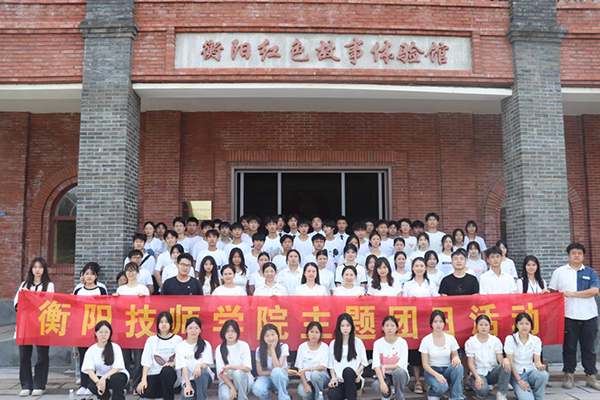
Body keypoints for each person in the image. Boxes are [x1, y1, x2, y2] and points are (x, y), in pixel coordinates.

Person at [549, 243, 600, 390]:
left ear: (583, 256)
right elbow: (553, 293)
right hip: (568, 315)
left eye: (579, 253)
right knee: (569, 348)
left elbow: (595, 291)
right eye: (573, 253)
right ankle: (569, 376)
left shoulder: (590, 272)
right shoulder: (559, 272)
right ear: (568, 255)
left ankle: (591, 376)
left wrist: (573, 294)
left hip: (589, 315)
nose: (576, 255)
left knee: (589, 348)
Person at [15, 257, 54, 397]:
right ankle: (26, 385)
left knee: (42, 355)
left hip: (42, 324)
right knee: (24, 355)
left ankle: (39, 384)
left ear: (44, 269)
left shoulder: (49, 285)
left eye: (40, 267)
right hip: (25, 324)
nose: (37, 270)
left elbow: (47, 302)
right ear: (31, 269)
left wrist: (31, 299)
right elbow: (17, 303)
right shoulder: (24, 284)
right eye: (35, 267)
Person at [74, 263, 109, 396]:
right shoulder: (78, 290)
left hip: (96, 329)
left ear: (96, 276)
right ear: (82, 275)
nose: (89, 277)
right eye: (86, 274)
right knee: (84, 357)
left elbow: (106, 308)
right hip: (81, 328)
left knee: (95, 357)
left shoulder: (101, 290)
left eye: (92, 274)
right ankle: (83, 384)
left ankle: (93, 384)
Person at [115, 262, 148, 390]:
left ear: (138, 272)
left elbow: (148, 308)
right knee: (124, 357)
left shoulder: (143, 289)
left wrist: (143, 299)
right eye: (128, 271)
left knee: (139, 356)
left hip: (139, 326)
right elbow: (117, 309)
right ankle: (125, 384)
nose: (130, 273)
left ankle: (137, 384)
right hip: (124, 326)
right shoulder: (121, 290)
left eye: (133, 271)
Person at [137, 312, 183, 400]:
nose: (164, 324)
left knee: (166, 370)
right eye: (161, 322)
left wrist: (172, 364)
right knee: (145, 391)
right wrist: (143, 380)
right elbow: (146, 362)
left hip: (170, 375)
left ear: (171, 324)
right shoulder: (151, 340)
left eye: (166, 322)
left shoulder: (178, 339)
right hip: (154, 374)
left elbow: (180, 358)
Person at [504, 313, 549, 400]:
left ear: (531, 325)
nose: (524, 326)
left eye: (527, 324)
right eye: (521, 324)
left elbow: (537, 361)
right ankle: (520, 390)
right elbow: (511, 362)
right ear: (517, 325)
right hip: (517, 375)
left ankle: (539, 397)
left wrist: (540, 366)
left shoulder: (536, 340)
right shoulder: (510, 339)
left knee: (543, 375)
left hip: (531, 372)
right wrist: (520, 380)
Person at [419, 310, 463, 400]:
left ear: (444, 324)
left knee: (459, 366)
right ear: (431, 324)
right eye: (435, 321)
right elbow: (425, 364)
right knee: (442, 387)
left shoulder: (450, 338)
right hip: (432, 371)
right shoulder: (426, 340)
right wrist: (437, 375)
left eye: (441, 321)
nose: (438, 324)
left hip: (447, 370)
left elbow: (455, 355)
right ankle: (433, 392)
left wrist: (456, 358)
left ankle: (456, 396)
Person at [465, 315, 511, 400]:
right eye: (481, 325)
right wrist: (477, 377)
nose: (483, 327)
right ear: (476, 326)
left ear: (489, 326)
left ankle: (501, 392)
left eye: (486, 325)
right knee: (482, 392)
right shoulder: (471, 342)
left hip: (492, 372)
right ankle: (481, 385)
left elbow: (500, 359)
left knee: (506, 363)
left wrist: (505, 360)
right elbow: (470, 363)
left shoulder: (495, 340)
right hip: (479, 373)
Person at [81, 321, 129, 400]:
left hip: (117, 375)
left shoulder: (115, 347)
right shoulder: (91, 350)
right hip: (101, 377)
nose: (103, 334)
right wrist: (98, 382)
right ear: (96, 333)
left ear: (110, 333)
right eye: (100, 332)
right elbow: (90, 371)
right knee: (92, 385)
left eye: (106, 332)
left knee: (116, 378)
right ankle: (105, 396)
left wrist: (103, 378)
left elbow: (117, 368)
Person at [327, 313, 369, 400]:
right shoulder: (333, 344)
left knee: (348, 371)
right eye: (342, 326)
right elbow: (331, 365)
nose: (345, 328)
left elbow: (364, 362)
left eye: (348, 325)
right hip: (340, 381)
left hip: (355, 380)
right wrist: (333, 378)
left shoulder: (358, 342)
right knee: (332, 394)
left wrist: (357, 373)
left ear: (351, 327)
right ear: (339, 327)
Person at [176, 318, 214, 400]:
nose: (193, 331)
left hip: (204, 378)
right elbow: (184, 368)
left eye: (196, 328)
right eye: (190, 328)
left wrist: (198, 366)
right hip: (189, 379)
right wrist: (188, 385)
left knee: (201, 372)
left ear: (200, 330)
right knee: (187, 398)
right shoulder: (180, 346)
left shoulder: (206, 344)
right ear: (186, 330)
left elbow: (205, 365)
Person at [215, 320, 254, 400]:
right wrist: (232, 387)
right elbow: (221, 373)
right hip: (227, 381)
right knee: (225, 397)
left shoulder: (243, 345)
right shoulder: (219, 348)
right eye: (227, 331)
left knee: (237, 373)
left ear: (237, 332)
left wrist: (231, 367)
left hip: (243, 379)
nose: (230, 334)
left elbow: (247, 368)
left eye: (233, 331)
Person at [372, 316, 409, 400]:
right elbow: (376, 365)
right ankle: (387, 395)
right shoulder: (378, 343)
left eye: (392, 326)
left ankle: (399, 397)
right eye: (387, 325)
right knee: (376, 385)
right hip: (385, 375)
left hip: (400, 375)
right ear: (383, 328)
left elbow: (402, 364)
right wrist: (382, 383)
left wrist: (385, 366)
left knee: (399, 372)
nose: (389, 328)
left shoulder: (402, 342)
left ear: (397, 328)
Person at [252, 324, 291, 400]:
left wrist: (273, 349)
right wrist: (272, 374)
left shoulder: (283, 346)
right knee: (257, 389)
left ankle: (284, 397)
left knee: (277, 371)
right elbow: (260, 372)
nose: (270, 338)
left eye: (273, 335)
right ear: (263, 338)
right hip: (266, 377)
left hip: (280, 378)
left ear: (277, 335)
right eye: (267, 336)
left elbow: (277, 366)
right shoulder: (259, 350)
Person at [294, 322, 330, 400]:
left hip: (322, 378)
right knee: (302, 391)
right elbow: (300, 369)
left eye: (317, 332)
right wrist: (305, 385)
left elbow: (323, 367)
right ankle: (317, 394)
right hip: (308, 380)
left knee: (314, 374)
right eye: (311, 332)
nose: (314, 335)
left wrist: (308, 369)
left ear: (320, 334)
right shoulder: (302, 347)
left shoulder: (324, 347)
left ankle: (319, 396)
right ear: (307, 333)